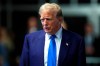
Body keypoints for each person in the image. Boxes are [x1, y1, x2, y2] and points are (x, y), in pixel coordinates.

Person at [20, 3, 86, 66]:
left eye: (48, 19)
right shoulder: (30, 39)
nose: (45, 23)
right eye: (42, 19)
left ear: (60, 20)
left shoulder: (76, 41)